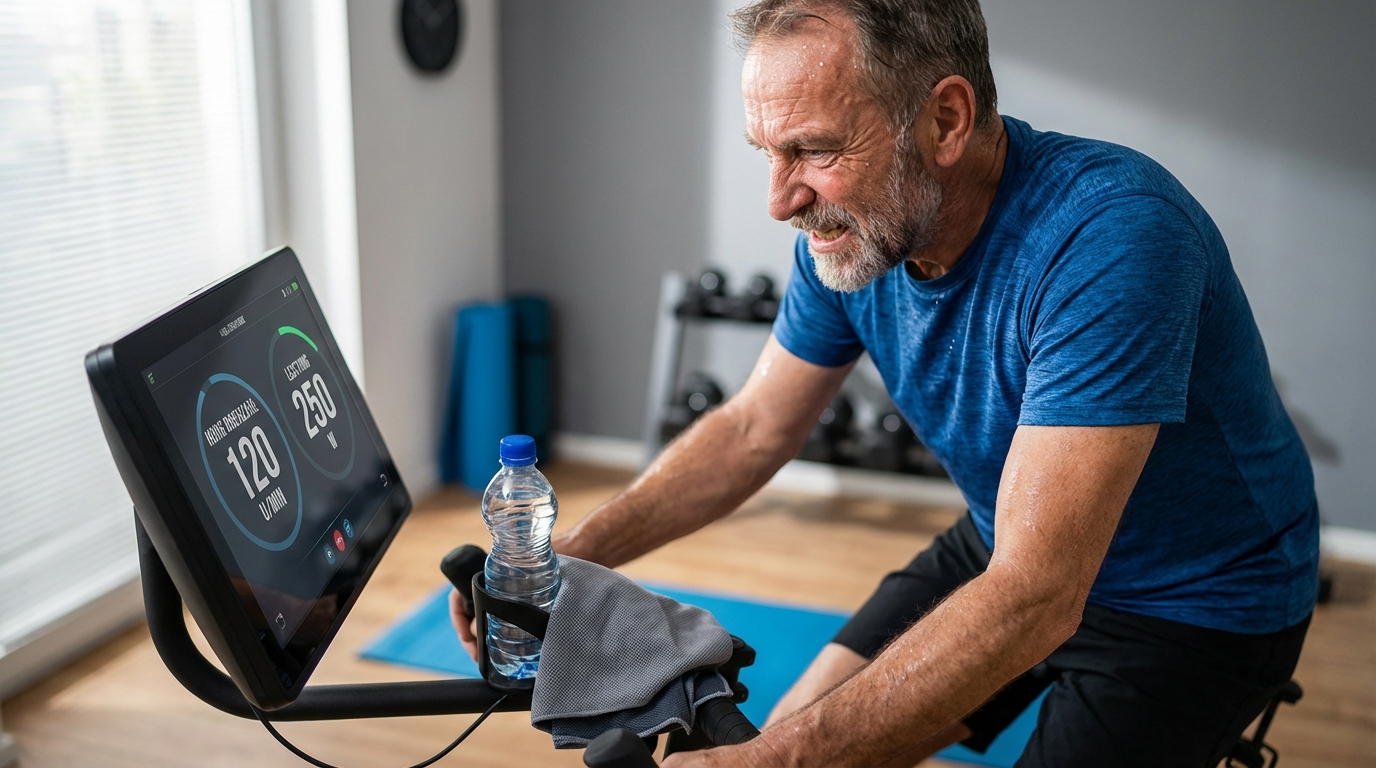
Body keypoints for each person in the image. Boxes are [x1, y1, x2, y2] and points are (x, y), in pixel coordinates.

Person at [452, 1, 1319, 765]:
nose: (781, 202)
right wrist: (563, 564)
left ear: (945, 120)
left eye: (816, 150)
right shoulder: (854, 240)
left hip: (1199, 601)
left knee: (797, 756)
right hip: (1007, 542)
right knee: (793, 726)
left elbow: (1038, 596)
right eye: (767, 152)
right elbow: (754, 428)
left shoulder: (1114, 237)